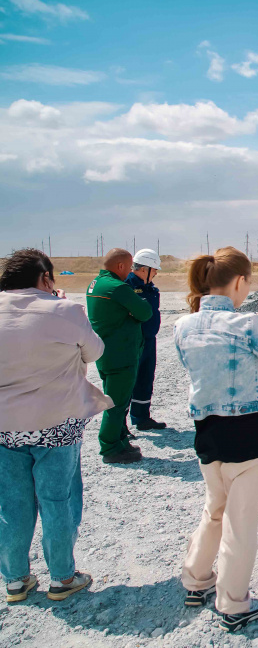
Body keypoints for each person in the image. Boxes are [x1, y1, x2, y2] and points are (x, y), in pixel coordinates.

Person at [175, 246, 258, 633]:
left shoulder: (183, 325)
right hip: (251, 435)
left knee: (214, 509)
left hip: (207, 433)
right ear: (239, 282)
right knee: (241, 523)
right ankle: (233, 603)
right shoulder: (249, 325)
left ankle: (196, 580)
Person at [0, 249, 107, 603]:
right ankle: (62, 577)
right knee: (57, 500)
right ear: (45, 277)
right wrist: (61, 305)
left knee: (11, 504)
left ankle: (15, 580)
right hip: (56, 424)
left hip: (4, 425)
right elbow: (95, 352)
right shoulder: (65, 310)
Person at [87, 248, 152, 464]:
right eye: (129, 266)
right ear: (121, 266)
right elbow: (145, 312)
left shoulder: (96, 283)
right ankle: (110, 447)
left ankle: (120, 440)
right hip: (121, 354)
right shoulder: (118, 288)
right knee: (116, 404)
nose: (131, 271)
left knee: (116, 399)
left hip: (106, 352)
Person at [125, 248, 166, 431]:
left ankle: (142, 418)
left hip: (149, 340)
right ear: (144, 269)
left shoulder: (150, 288)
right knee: (128, 383)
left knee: (145, 379)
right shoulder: (127, 286)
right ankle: (120, 426)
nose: (156, 273)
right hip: (134, 342)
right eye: (154, 269)